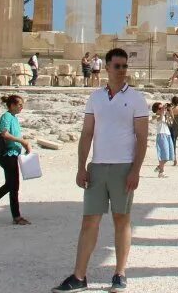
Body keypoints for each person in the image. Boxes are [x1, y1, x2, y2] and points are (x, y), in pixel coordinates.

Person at [53, 48, 149, 293]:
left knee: (122, 219)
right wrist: (81, 166)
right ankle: (79, 275)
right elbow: (87, 133)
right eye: (117, 66)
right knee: (89, 221)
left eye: (125, 66)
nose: (122, 70)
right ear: (106, 67)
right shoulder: (95, 97)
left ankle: (120, 273)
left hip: (123, 166)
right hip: (97, 166)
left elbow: (142, 137)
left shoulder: (137, 98)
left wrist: (136, 170)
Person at [0, 94, 32, 225]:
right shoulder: (6, 117)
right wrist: (22, 141)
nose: (22, 107)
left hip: (13, 153)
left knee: (10, 185)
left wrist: (23, 144)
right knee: (13, 186)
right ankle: (16, 217)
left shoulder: (14, 118)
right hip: (7, 155)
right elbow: (4, 133)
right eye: (20, 104)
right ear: (12, 105)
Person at [153, 102, 174, 177]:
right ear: (156, 110)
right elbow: (161, 117)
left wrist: (170, 109)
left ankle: (159, 167)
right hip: (161, 135)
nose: (162, 109)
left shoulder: (165, 116)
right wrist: (163, 109)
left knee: (169, 155)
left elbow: (172, 120)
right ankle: (161, 172)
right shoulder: (155, 116)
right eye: (160, 108)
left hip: (167, 135)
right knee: (164, 155)